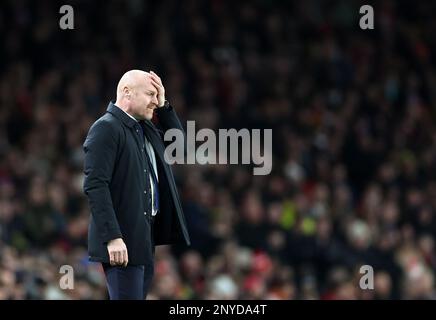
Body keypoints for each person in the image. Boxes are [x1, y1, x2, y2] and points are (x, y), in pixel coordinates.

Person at [83, 69, 190, 299]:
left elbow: (180, 150)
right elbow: (95, 185)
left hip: (143, 237)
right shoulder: (106, 128)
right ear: (127, 93)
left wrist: (164, 106)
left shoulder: (144, 128)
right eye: (151, 94)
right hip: (122, 240)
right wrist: (112, 236)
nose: (155, 100)